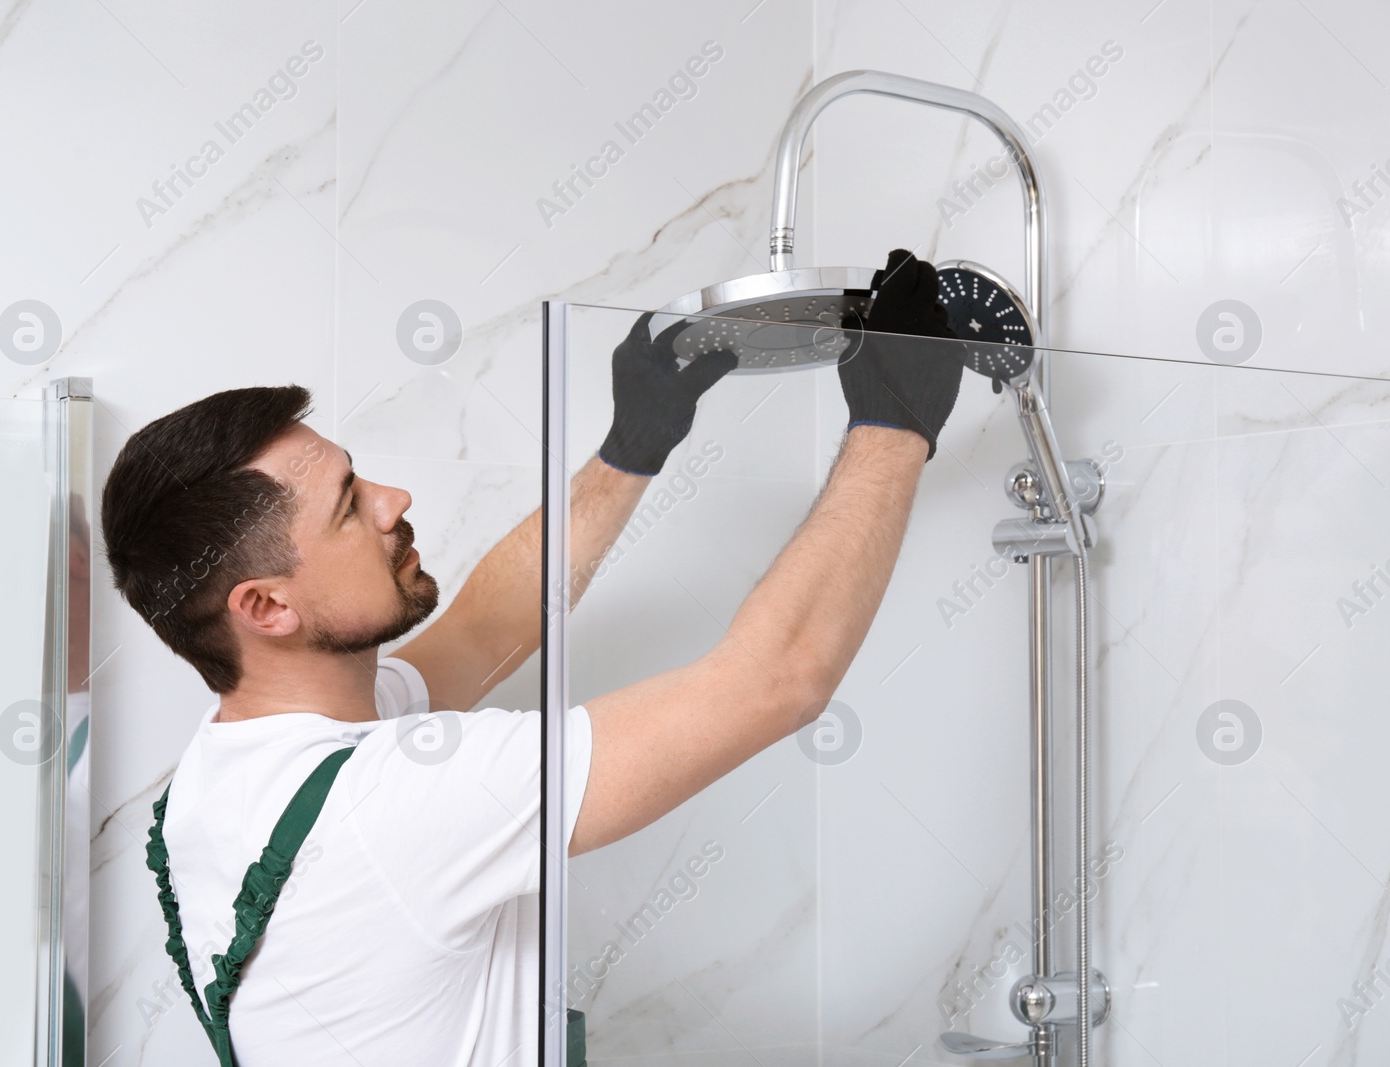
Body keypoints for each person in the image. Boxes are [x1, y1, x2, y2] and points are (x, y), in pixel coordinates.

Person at [99, 248, 961, 1065]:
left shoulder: (238, 769)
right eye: (348, 506)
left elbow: (483, 627)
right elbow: (778, 678)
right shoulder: (390, 804)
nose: (394, 499)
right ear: (266, 606)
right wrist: (894, 425)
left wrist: (632, 445)